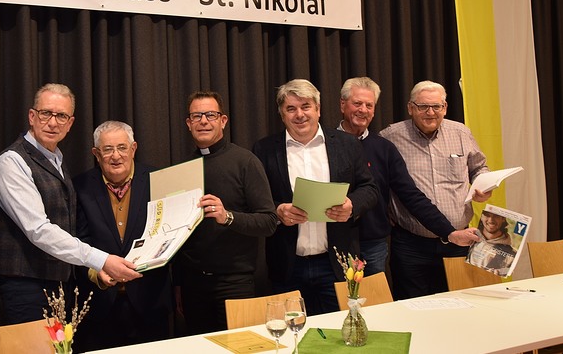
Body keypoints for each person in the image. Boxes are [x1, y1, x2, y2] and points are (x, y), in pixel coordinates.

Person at [0, 83, 141, 324]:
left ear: (70, 123)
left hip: (59, 285)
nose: (53, 123)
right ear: (32, 116)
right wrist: (101, 260)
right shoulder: (12, 162)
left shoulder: (56, 159)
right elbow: (38, 229)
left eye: (61, 116)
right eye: (46, 113)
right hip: (27, 288)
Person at [252, 79, 379, 315]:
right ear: (282, 114)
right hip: (288, 265)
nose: (299, 114)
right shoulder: (264, 150)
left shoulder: (347, 144)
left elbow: (369, 188)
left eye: (306, 106)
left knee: (342, 329)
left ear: (318, 109)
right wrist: (278, 211)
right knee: (293, 332)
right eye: (291, 108)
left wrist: (352, 206)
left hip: (337, 264)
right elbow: (257, 201)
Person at [336, 77, 479, 276]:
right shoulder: (326, 143)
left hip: (374, 244)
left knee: (375, 294)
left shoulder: (383, 146)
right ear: (343, 105)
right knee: (339, 295)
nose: (363, 110)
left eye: (369, 105)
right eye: (357, 103)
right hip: (334, 241)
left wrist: (449, 232)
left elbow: (410, 194)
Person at [173, 91, 277, 334]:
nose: (203, 121)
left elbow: (269, 221)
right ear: (188, 123)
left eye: (210, 115)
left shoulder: (246, 162)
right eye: (196, 116)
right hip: (192, 286)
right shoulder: (180, 169)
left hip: (235, 283)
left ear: (223, 120)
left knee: (240, 347)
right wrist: (177, 284)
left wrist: (227, 217)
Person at [379, 80, 492, 299]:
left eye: (436, 106)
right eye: (423, 106)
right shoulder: (390, 137)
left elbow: (479, 168)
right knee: (412, 306)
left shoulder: (461, 133)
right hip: (412, 245)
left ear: (445, 107)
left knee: (462, 303)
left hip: (459, 241)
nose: (430, 112)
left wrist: (483, 186)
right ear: (410, 108)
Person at [73, 121, 172, 351]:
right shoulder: (79, 187)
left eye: (122, 147)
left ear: (133, 148)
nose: (116, 156)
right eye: (107, 149)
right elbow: (77, 240)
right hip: (99, 308)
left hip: (150, 304)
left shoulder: (159, 180)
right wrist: (96, 272)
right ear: (96, 154)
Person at [467, 210, 516, 275]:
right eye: (487, 215)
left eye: (496, 215)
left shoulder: (511, 254)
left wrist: (503, 272)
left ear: (503, 219)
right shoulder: (470, 240)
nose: (491, 220)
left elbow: (510, 272)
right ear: (481, 217)